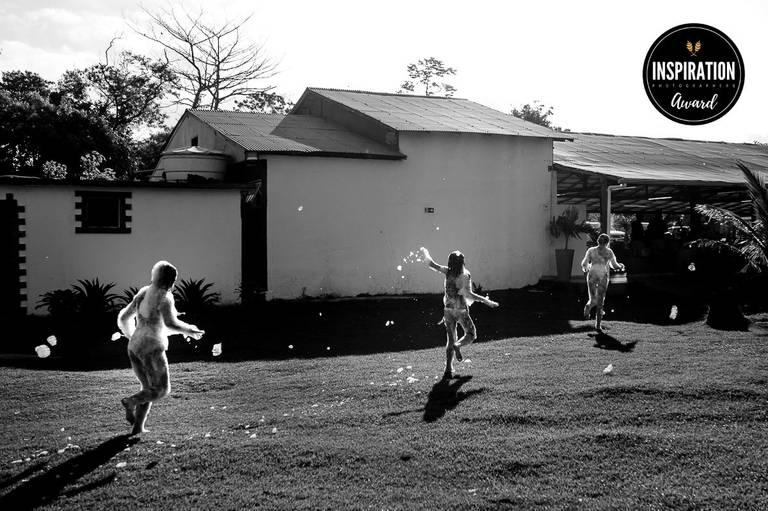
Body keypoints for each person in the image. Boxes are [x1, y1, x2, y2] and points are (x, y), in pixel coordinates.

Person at [117, 261, 204, 435]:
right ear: (170, 281)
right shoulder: (165, 297)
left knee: (148, 389)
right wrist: (190, 330)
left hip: (133, 347)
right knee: (162, 389)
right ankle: (131, 401)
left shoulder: (143, 293)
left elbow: (123, 318)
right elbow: (171, 324)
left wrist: (131, 335)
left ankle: (137, 428)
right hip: (152, 349)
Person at [420, 247, 499, 379]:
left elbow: (431, 264)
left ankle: (448, 369)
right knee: (471, 334)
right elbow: (469, 295)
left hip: (448, 311)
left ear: (450, 262)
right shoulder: (465, 275)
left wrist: (425, 252)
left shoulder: (447, 271)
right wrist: (486, 301)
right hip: (461, 310)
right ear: (462, 262)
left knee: (450, 340)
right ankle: (459, 345)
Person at [581, 234, 625, 333]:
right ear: (607, 242)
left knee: (593, 298)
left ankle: (588, 306)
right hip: (602, 275)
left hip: (592, 274)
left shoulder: (591, 250)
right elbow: (614, 265)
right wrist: (621, 266)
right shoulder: (609, 252)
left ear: (598, 241)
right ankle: (598, 325)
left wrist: (586, 268)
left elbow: (584, 263)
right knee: (600, 300)